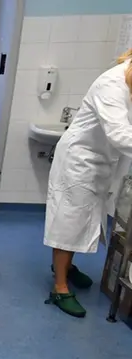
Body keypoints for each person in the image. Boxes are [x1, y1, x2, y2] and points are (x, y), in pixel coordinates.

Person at [44, 49, 132, 318]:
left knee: (82, 219)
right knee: (69, 221)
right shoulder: (112, 84)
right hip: (79, 160)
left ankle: (66, 268)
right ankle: (59, 288)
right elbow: (119, 134)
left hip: (100, 161)